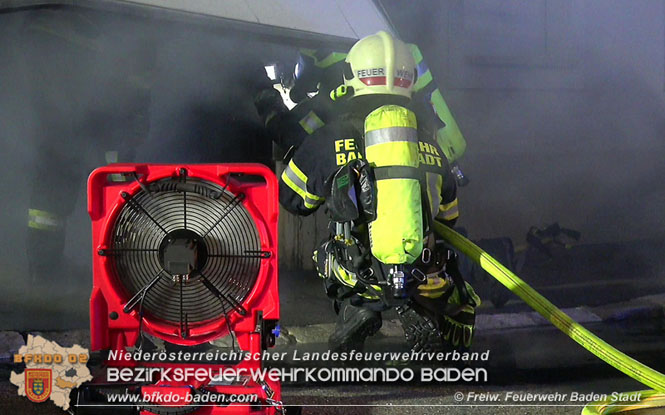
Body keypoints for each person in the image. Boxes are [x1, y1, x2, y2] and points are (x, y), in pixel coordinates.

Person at [278, 31, 479, 353]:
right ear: (409, 79)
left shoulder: (334, 134)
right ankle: (418, 308)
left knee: (325, 255)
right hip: (421, 271)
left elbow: (292, 200)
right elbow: (450, 216)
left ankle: (357, 309)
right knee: (433, 250)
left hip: (358, 272)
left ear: (353, 74)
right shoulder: (429, 139)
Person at [258, 40, 470, 186]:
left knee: (294, 133)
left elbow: (302, 85)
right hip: (417, 138)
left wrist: (274, 100)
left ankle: (269, 108)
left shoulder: (319, 25)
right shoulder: (383, 35)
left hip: (344, 96)